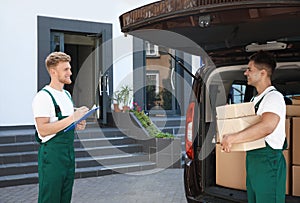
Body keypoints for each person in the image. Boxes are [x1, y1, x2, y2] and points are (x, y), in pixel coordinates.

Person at [221, 50, 286, 203]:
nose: (246, 73)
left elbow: (267, 126)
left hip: (268, 162)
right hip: (255, 162)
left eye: (250, 69)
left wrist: (233, 138)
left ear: (263, 73)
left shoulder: (273, 97)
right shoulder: (256, 99)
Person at [32, 52, 89, 203]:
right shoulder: (43, 97)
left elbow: (65, 124)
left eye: (69, 68)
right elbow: (43, 129)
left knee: (65, 198)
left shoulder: (66, 96)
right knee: (50, 199)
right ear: (53, 72)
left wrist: (77, 124)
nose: (70, 72)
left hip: (68, 154)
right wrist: (72, 118)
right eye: (65, 69)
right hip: (52, 156)